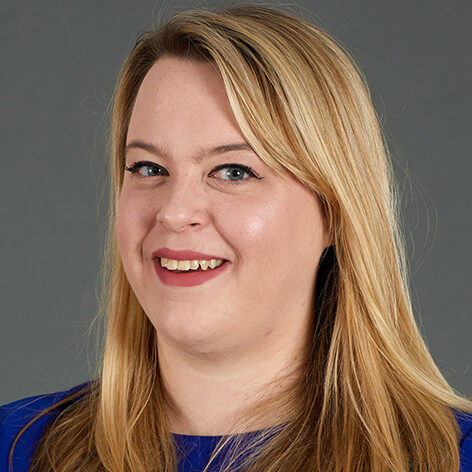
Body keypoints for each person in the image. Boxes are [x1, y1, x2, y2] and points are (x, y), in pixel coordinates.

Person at [1, 5, 471, 472]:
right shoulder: (16, 448)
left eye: (233, 171)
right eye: (148, 168)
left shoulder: (453, 458)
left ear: (334, 210)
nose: (174, 212)